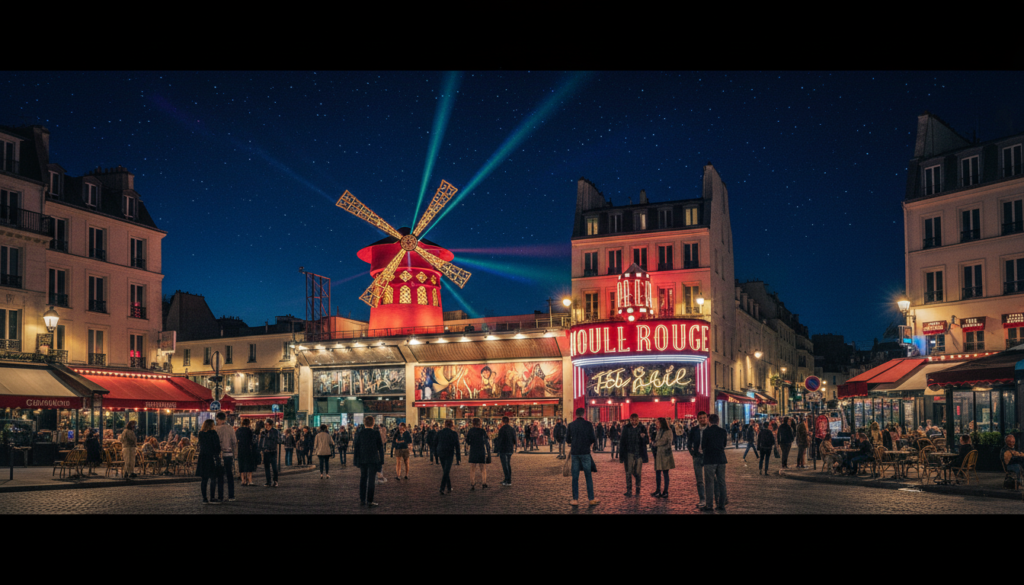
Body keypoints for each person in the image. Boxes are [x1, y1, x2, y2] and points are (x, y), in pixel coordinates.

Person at [566, 407, 599, 507]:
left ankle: (575, 499)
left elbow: (567, 439)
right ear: (584, 414)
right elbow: (593, 438)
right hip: (585, 452)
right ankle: (591, 498)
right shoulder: (588, 425)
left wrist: (574, 442)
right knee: (588, 476)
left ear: (576, 415)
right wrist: (587, 443)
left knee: (575, 477)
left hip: (575, 452)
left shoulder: (571, 425)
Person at [354, 415, 383, 507]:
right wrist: (381, 461)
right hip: (373, 459)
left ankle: (362, 499)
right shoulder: (376, 433)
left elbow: (356, 448)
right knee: (371, 481)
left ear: (364, 423)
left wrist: (356, 460)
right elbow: (380, 448)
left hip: (363, 459)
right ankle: (370, 500)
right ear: (373, 423)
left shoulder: (360, 433)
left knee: (363, 479)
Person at [701, 413, 729, 511]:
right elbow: (724, 444)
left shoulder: (706, 431)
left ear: (709, 421)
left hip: (709, 459)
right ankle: (721, 504)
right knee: (722, 482)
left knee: (709, 483)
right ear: (718, 421)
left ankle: (709, 505)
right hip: (721, 459)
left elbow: (703, 445)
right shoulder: (723, 431)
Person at [619, 413, 649, 497]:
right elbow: (622, 442)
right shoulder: (626, 428)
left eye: (635, 420)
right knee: (628, 472)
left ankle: (638, 490)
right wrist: (621, 455)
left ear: (638, 420)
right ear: (630, 420)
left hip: (639, 452)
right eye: (632, 420)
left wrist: (644, 437)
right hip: (629, 452)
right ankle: (629, 490)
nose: (634, 422)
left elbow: (647, 441)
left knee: (638, 472)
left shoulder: (642, 427)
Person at [686, 411, 710, 508]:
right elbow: (689, 443)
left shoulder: (710, 429)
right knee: (699, 480)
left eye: (704, 417)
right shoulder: (694, 430)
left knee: (710, 479)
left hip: (708, 457)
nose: (703, 419)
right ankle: (702, 499)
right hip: (697, 456)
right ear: (698, 419)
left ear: (707, 418)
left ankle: (711, 500)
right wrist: (693, 453)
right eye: (700, 418)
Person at [196, 419, 222, 504]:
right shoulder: (213, 433)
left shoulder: (201, 434)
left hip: (203, 457)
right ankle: (212, 497)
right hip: (211, 457)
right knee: (213, 478)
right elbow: (217, 446)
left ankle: (204, 498)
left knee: (204, 479)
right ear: (211, 425)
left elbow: (200, 445)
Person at [214, 412, 237, 502]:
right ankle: (231, 495)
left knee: (220, 476)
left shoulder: (215, 429)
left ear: (219, 419)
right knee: (229, 475)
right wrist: (235, 453)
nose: (217, 421)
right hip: (229, 454)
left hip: (219, 455)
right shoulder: (230, 428)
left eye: (217, 420)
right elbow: (234, 442)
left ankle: (220, 496)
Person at [436, 419, 461, 495]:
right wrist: (458, 456)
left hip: (441, 452)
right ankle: (442, 487)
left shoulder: (440, 433)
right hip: (449, 453)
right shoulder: (454, 434)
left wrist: (436, 452)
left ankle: (449, 487)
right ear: (452, 425)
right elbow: (457, 446)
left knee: (445, 470)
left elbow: (435, 442)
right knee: (446, 470)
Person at [652, 417, 675, 498]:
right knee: (658, 473)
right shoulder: (659, 431)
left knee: (665, 473)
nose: (656, 424)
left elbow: (663, 441)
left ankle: (665, 491)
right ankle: (658, 490)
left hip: (665, 454)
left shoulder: (668, 431)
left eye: (658, 422)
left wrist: (655, 443)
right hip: (658, 454)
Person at [466, 417, 490, 490]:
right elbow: (486, 441)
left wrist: (471, 443)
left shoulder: (470, 431)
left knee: (472, 468)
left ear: (473, 423)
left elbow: (467, 440)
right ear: (480, 423)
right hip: (481, 450)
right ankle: (484, 483)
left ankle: (472, 483)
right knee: (483, 468)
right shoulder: (482, 431)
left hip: (473, 450)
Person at [259, 418, 281, 487]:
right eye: (266, 424)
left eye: (268, 425)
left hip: (273, 451)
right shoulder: (263, 432)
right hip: (266, 451)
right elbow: (261, 441)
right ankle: (268, 481)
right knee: (267, 467)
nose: (267, 426)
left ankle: (275, 481)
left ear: (271, 425)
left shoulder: (275, 431)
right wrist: (261, 449)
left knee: (274, 467)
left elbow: (277, 440)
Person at [496, 416, 516, 486]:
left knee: (505, 465)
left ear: (502, 421)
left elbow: (500, 440)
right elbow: (514, 439)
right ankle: (508, 479)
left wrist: (498, 448)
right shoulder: (512, 429)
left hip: (503, 449)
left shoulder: (502, 429)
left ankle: (507, 480)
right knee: (508, 464)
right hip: (510, 448)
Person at [236, 419, 255, 486]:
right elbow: (251, 440)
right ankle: (249, 480)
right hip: (248, 449)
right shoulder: (249, 431)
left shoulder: (238, 430)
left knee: (241, 464)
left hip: (240, 449)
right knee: (249, 465)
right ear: (248, 424)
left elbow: (237, 440)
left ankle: (243, 480)